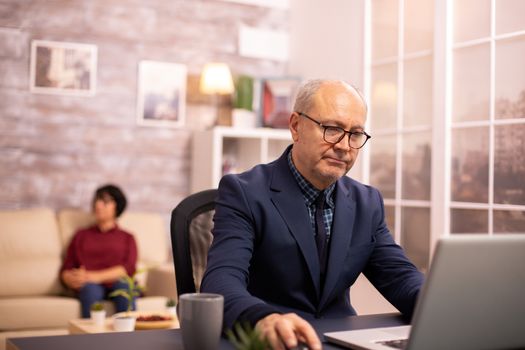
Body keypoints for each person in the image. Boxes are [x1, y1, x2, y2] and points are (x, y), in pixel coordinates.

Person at [201, 79, 424, 350]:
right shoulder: (244, 192)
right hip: (275, 342)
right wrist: (263, 318)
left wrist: (442, 305)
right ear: (295, 126)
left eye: (355, 134)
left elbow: (400, 277)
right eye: (332, 129)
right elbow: (220, 282)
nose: (344, 146)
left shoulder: (367, 201)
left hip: (341, 342)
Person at [60, 184, 138, 318]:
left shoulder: (127, 237)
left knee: (124, 287)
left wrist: (91, 276)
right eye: (96, 200)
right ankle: (92, 338)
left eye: (105, 201)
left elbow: (128, 269)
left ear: (116, 206)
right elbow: (67, 267)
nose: (98, 205)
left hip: (117, 282)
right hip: (90, 285)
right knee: (90, 290)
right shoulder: (81, 235)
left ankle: (132, 337)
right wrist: (69, 278)